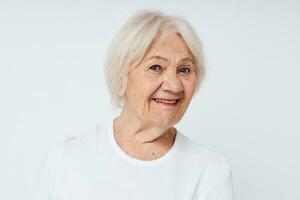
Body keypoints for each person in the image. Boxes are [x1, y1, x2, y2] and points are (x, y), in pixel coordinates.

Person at [36, 10, 234, 200]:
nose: (174, 86)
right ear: (122, 78)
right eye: (155, 67)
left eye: (184, 69)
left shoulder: (210, 172)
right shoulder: (68, 160)